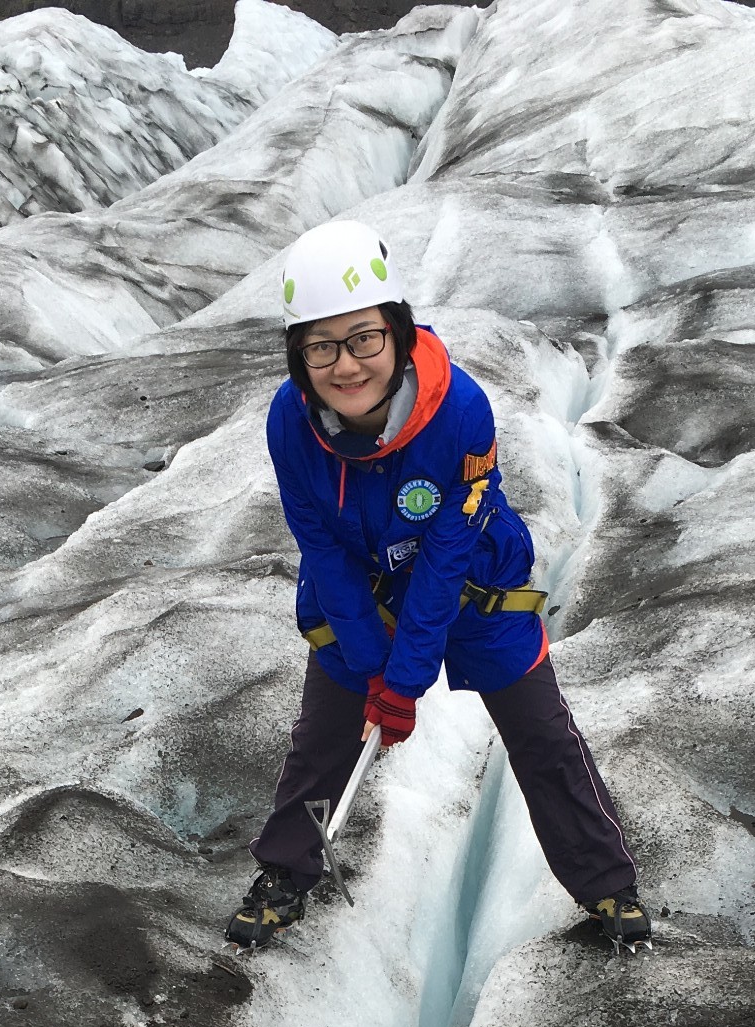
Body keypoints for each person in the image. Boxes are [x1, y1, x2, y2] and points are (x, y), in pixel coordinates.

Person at [227, 218, 650, 954]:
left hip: (473, 584)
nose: (346, 363)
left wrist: (406, 679)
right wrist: (370, 670)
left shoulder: (459, 413)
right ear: (298, 356)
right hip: (355, 587)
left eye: (362, 338)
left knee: (542, 734)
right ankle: (283, 875)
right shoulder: (289, 425)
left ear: (395, 331)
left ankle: (608, 887)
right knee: (325, 738)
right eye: (320, 346)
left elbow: (448, 554)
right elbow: (321, 547)